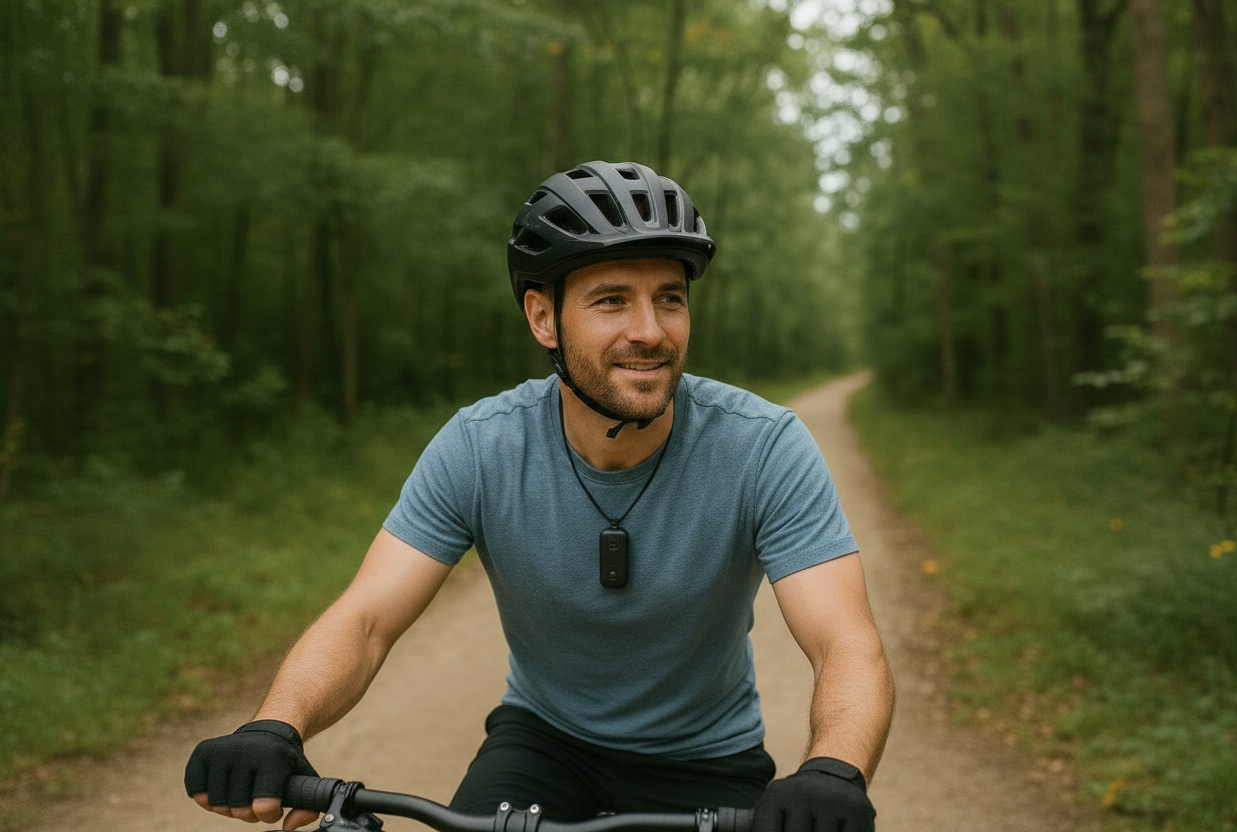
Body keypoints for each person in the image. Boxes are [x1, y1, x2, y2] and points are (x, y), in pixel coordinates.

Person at [184, 160, 895, 832]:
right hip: (543, 745)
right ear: (543, 317)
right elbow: (366, 619)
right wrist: (276, 725)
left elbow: (843, 641)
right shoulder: (480, 445)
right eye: (612, 300)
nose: (649, 331)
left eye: (669, 299)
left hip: (706, 759)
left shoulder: (763, 446)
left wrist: (834, 768)